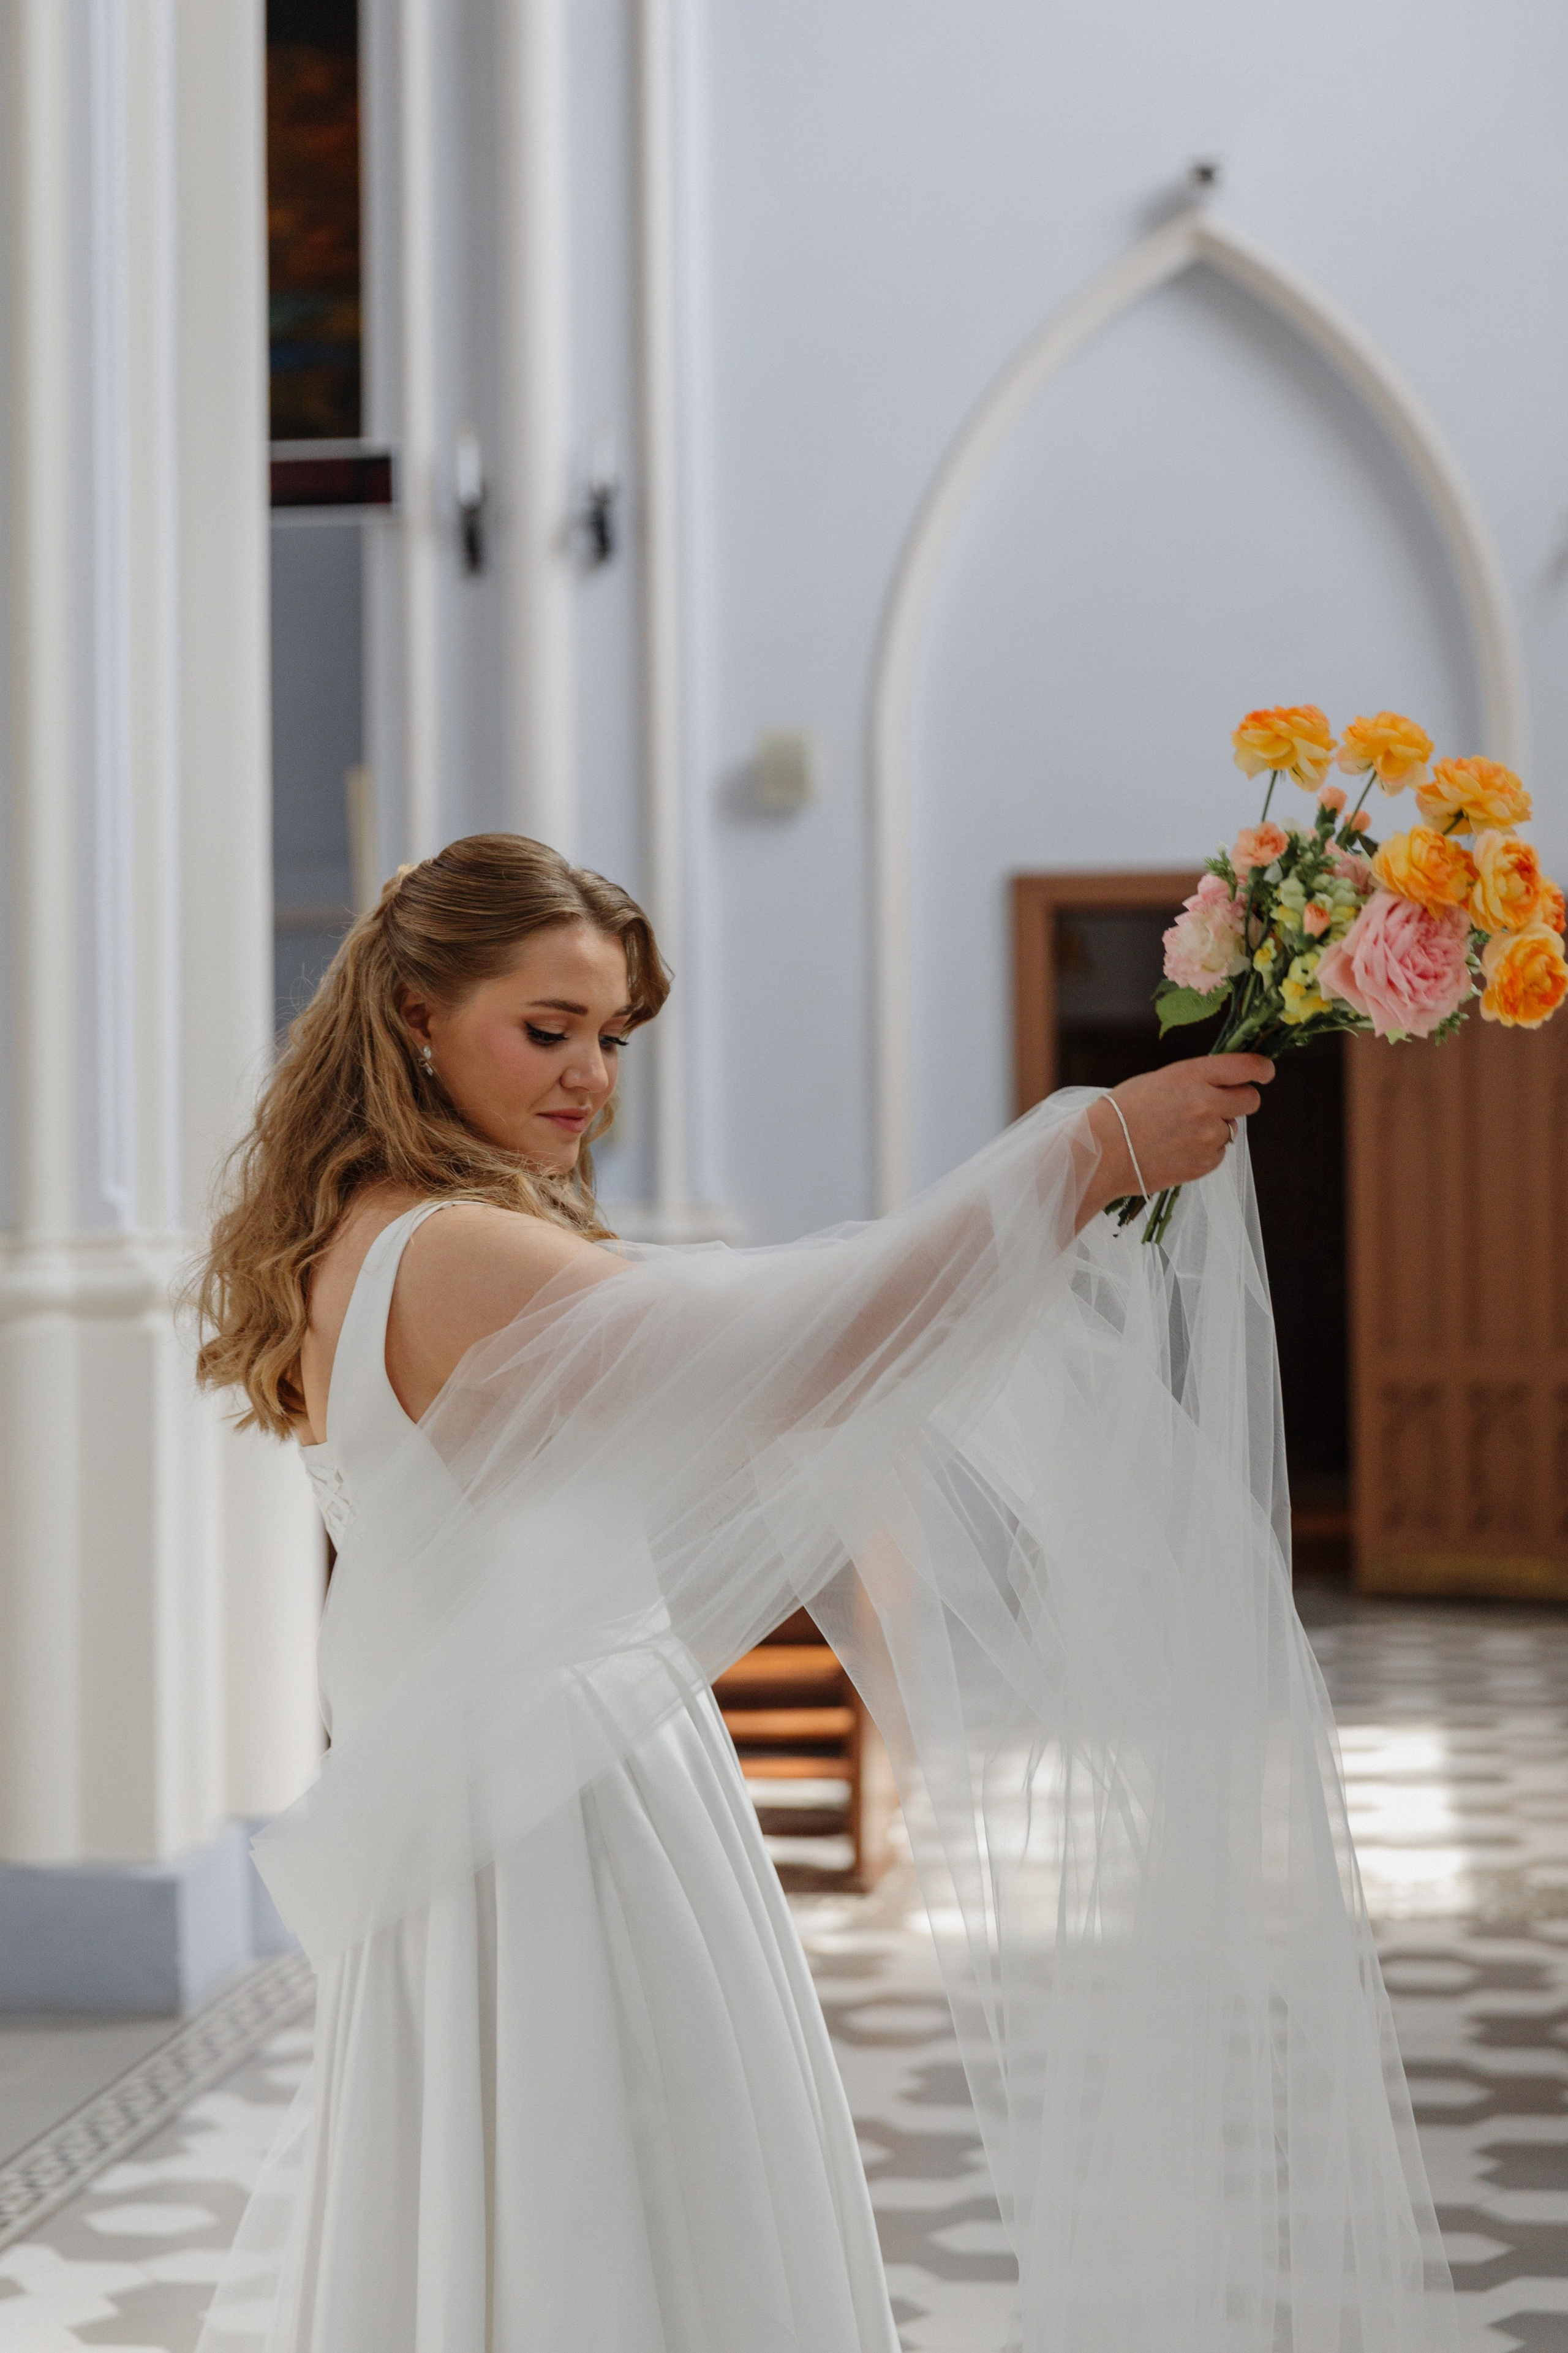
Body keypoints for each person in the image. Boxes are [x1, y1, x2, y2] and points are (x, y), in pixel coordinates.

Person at [192, 834, 1454, 2352]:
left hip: (511, 1788)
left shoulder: (371, 1233)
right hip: (564, 1816)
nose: (589, 1074)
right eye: (546, 1030)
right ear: (411, 1014)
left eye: (610, 1037)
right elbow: (798, 1343)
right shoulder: (455, 1247)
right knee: (618, 2201)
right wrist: (1076, 1156)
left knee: (529, 2203)